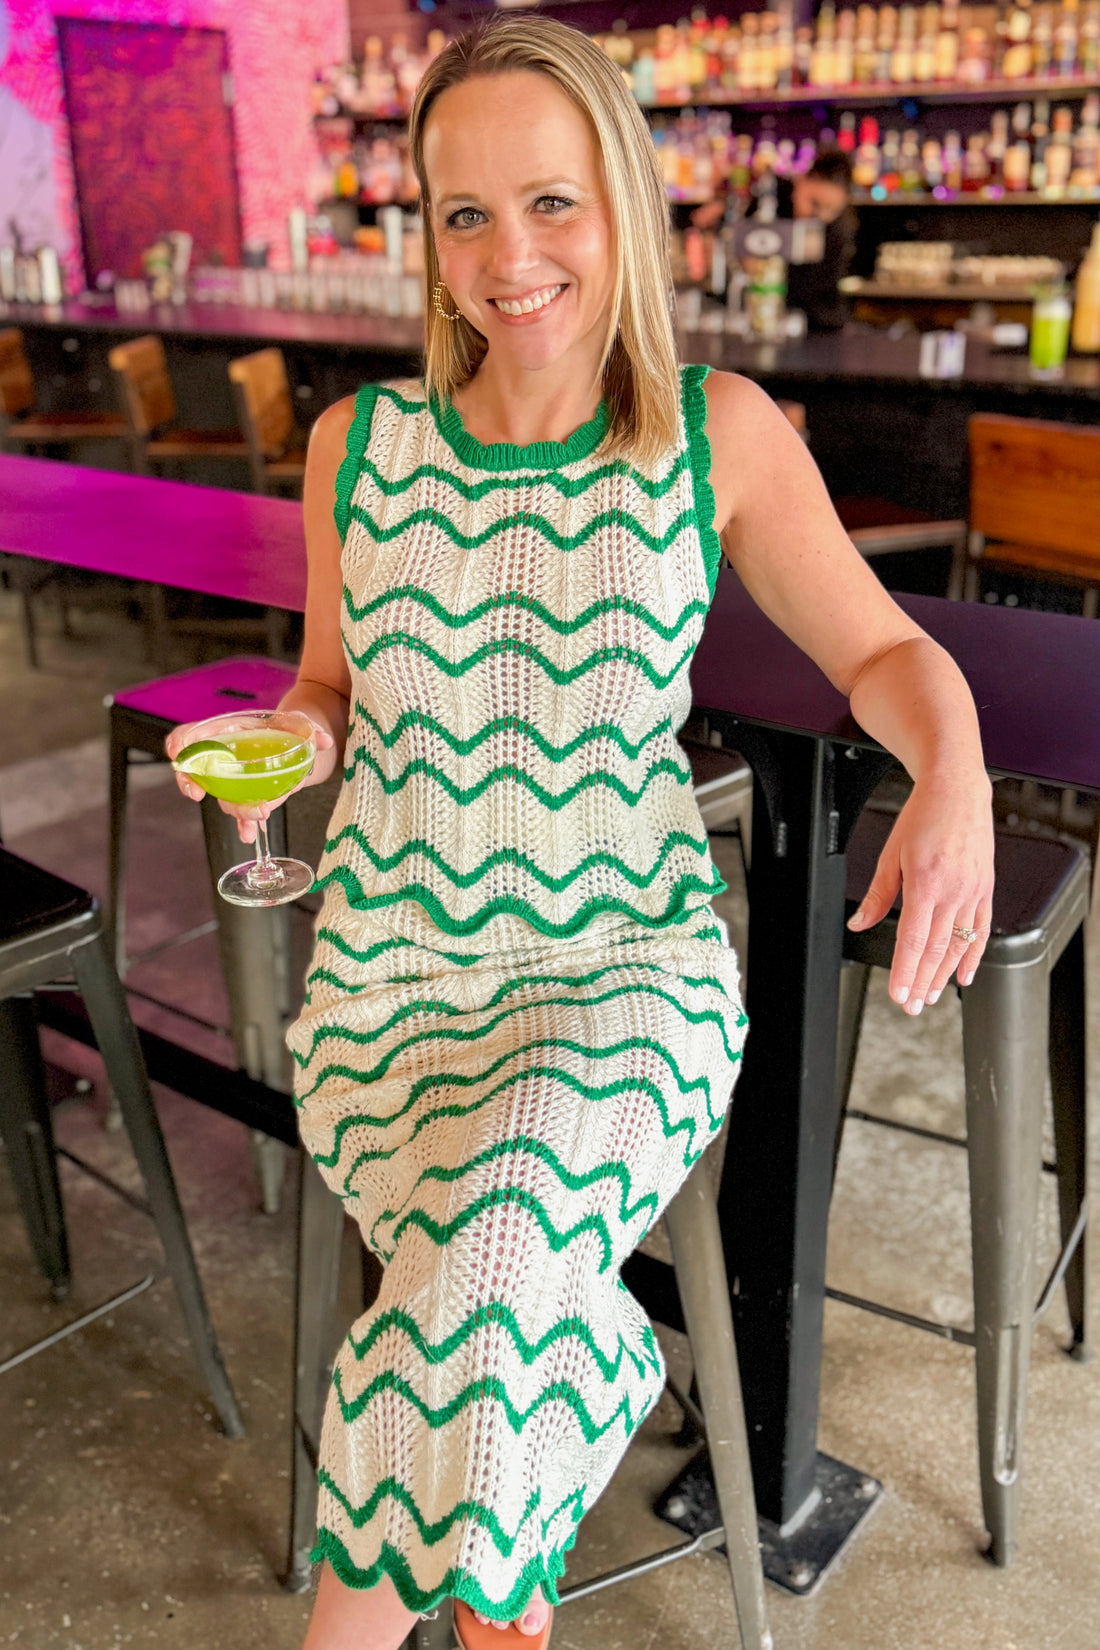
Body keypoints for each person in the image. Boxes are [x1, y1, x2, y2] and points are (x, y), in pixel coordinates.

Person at [168, 16, 993, 1650]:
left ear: (623, 199)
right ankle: (504, 1612)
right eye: (464, 214)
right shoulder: (358, 449)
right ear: (425, 233)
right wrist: (287, 742)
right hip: (394, 977)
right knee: (494, 1298)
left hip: (625, 971)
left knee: (488, 1265)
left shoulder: (714, 431)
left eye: (551, 202)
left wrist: (953, 768)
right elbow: (328, 686)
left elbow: (886, 654)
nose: (509, 257)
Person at [694, 148, 857, 332]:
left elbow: (820, 296)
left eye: (832, 211)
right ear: (801, 181)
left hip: (814, 327)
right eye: (815, 204)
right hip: (754, 318)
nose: (821, 217)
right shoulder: (769, 199)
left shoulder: (837, 232)